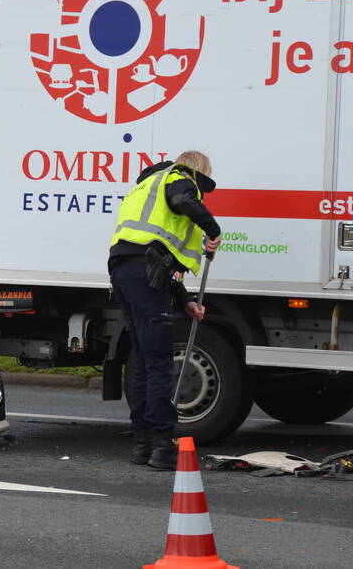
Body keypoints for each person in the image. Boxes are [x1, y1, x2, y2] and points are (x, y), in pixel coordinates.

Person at [108, 150, 221, 470]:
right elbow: (184, 200)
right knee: (158, 363)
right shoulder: (177, 180)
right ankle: (161, 445)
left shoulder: (146, 186)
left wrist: (184, 299)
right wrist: (213, 230)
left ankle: (141, 445)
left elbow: (158, 253)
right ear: (197, 171)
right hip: (145, 275)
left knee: (144, 360)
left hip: (126, 273)